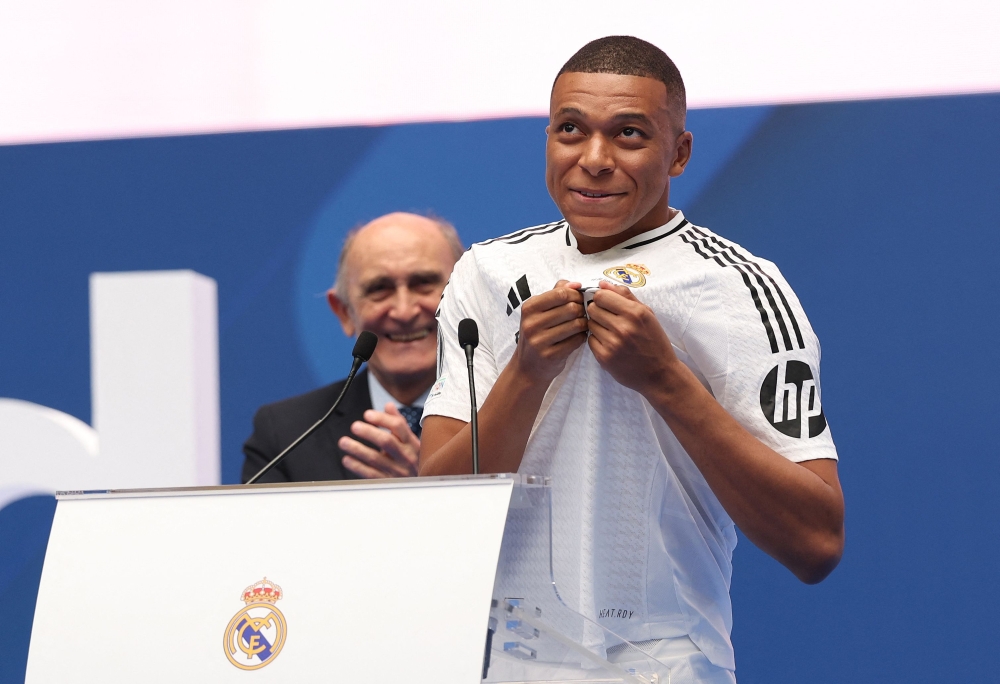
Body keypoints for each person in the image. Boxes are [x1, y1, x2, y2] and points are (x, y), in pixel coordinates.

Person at [420, 36, 844, 683]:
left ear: (679, 152)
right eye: (570, 130)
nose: (594, 159)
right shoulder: (487, 272)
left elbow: (816, 542)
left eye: (628, 134)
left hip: (666, 667)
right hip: (497, 666)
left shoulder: (742, 288)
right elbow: (436, 519)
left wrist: (667, 380)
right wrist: (526, 373)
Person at [242, 212, 463, 483]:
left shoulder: (513, 415)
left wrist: (427, 485)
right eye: (379, 289)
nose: (404, 311)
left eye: (423, 284)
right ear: (344, 312)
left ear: (465, 295)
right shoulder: (286, 434)